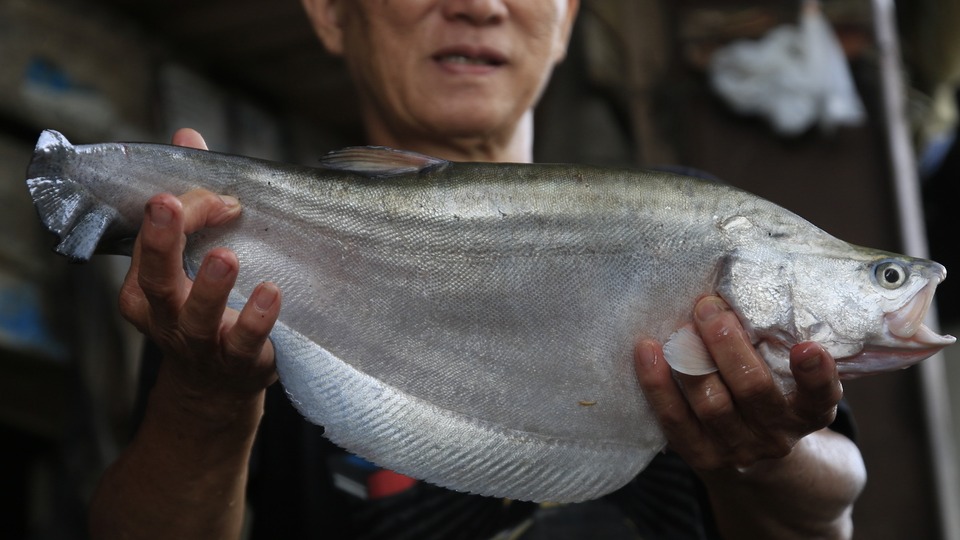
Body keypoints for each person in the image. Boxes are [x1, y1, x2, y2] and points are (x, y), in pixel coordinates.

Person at [88, 1, 866, 538]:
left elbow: (826, 519)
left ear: (564, 20)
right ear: (331, 11)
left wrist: (768, 455)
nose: (478, 5)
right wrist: (205, 401)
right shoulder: (232, 272)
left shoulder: (692, 219)